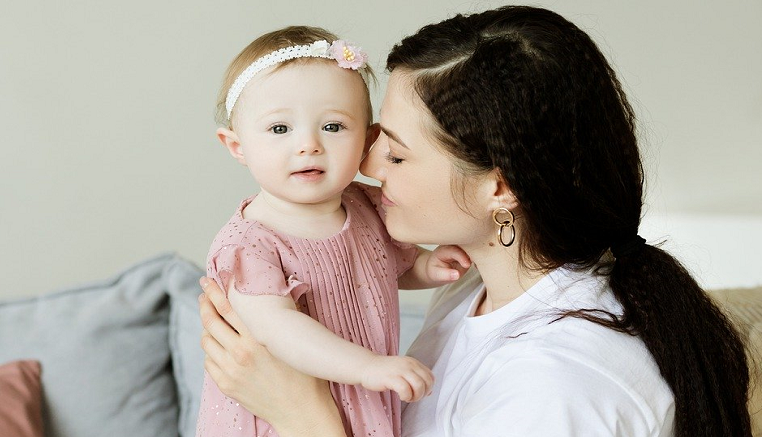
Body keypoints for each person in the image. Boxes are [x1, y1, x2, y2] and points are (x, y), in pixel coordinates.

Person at [198, 6, 752, 437]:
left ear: (500, 186)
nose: (363, 167)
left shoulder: (556, 392)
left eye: (393, 153)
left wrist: (303, 416)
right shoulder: (475, 285)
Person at [195, 25, 473, 437]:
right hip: (279, 410)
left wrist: (428, 266)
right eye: (279, 129)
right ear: (237, 146)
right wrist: (367, 366)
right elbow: (278, 330)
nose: (308, 145)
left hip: (359, 400)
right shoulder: (249, 244)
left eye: (333, 127)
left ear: (368, 141)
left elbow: (383, 270)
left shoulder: (366, 206)